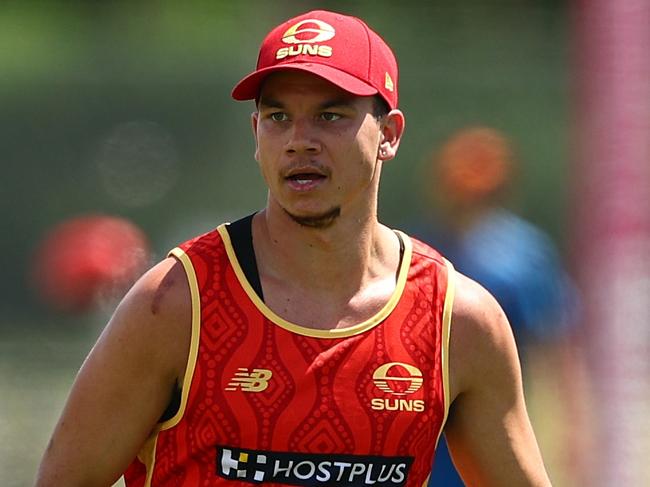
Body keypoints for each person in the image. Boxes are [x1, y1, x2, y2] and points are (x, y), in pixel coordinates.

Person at [35, 10, 551, 487]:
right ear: (256, 132)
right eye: (279, 117)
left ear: (389, 134)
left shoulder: (458, 321)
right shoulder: (177, 303)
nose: (299, 140)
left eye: (331, 116)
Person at [415, 128, 579, 486]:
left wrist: (569, 427)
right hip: (427, 423)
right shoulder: (417, 251)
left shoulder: (525, 255)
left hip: (494, 416)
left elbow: (553, 344)